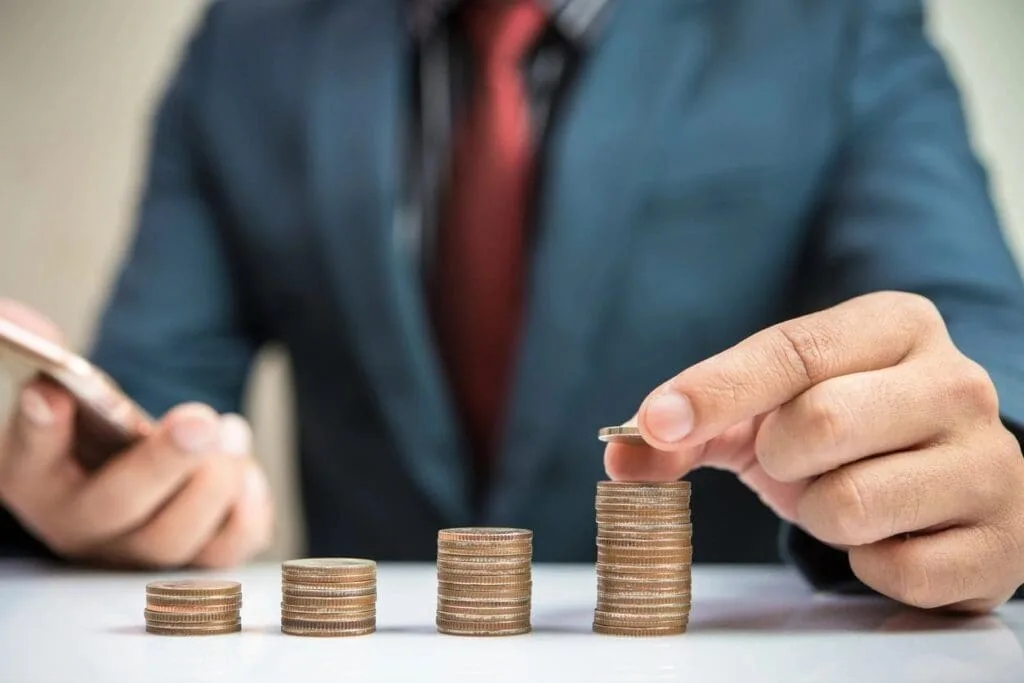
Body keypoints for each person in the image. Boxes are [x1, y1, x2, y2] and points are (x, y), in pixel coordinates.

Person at [2, 0, 1024, 613]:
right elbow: (152, 397)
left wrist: (987, 471)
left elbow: (974, 344)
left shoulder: (838, 24)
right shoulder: (247, 44)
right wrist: (82, 488)